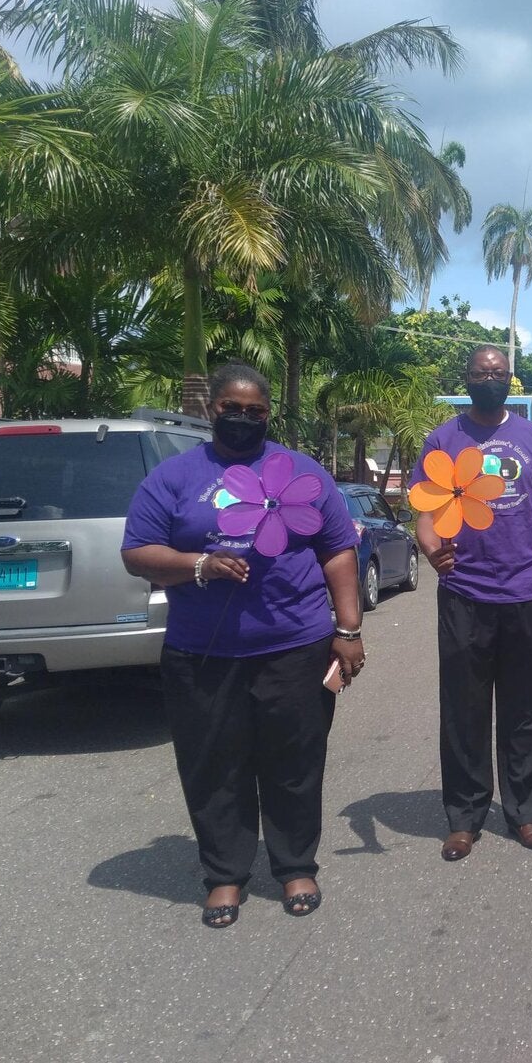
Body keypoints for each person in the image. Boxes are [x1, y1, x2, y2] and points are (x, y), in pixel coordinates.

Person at [121, 363, 364, 928]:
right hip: (202, 653)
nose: (243, 418)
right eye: (232, 407)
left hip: (295, 647)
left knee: (295, 762)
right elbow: (137, 553)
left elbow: (338, 550)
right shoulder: (175, 477)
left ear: (268, 414)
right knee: (213, 766)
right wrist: (197, 563)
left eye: (256, 411)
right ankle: (226, 874)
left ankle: (295, 864)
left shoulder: (301, 473)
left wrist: (348, 631)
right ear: (213, 409)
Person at [411, 346, 532, 862]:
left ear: (511, 380)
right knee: (464, 711)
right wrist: (431, 549)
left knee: (528, 710)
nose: (490, 378)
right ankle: (464, 818)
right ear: (467, 376)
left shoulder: (531, 437)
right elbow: (422, 510)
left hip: (525, 593)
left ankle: (525, 813)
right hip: (464, 595)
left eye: (499, 373)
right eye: (481, 371)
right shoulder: (443, 438)